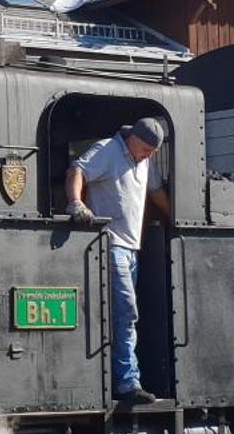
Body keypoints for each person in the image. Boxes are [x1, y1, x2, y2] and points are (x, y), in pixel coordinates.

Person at [66, 118, 172, 406]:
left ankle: (123, 378)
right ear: (134, 139)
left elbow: (156, 193)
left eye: (153, 151)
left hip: (131, 249)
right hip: (110, 246)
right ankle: (127, 383)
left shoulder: (144, 162)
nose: (149, 155)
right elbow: (78, 169)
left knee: (125, 316)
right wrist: (77, 203)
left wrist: (176, 218)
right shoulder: (108, 150)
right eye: (147, 149)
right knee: (126, 314)